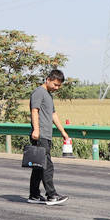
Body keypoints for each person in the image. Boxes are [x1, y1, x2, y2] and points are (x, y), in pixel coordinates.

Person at [27, 70, 70, 206]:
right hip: (40, 134)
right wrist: (36, 130)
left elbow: (53, 114)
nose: (57, 88)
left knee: (39, 166)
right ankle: (52, 195)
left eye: (59, 86)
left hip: (46, 135)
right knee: (47, 165)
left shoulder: (48, 95)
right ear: (48, 79)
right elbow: (35, 110)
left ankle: (34, 195)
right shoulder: (39, 92)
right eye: (55, 85)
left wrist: (62, 131)